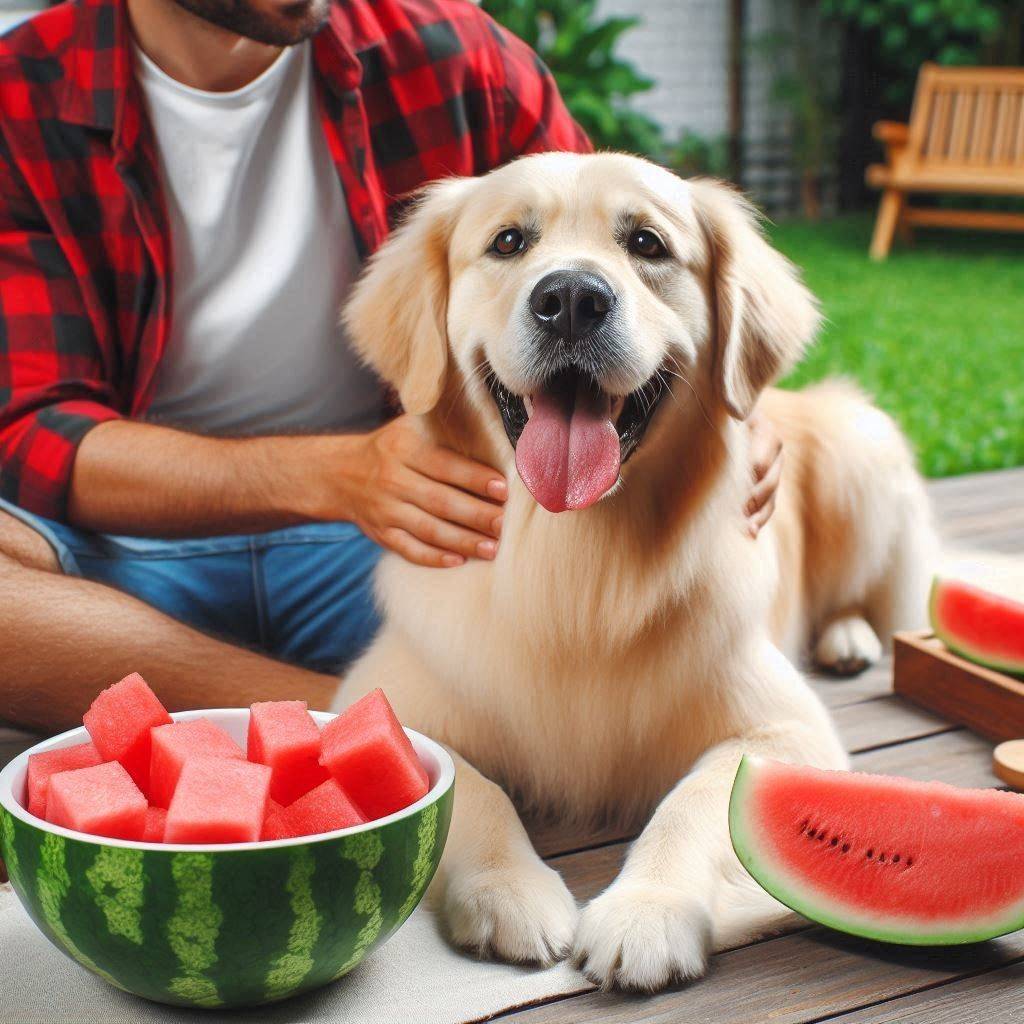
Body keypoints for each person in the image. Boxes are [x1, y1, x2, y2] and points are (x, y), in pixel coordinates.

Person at [0, 0, 782, 732]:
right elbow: (31, 430)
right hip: (124, 557)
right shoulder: (19, 92)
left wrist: (738, 401)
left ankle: (404, 721)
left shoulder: (456, 55)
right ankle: (383, 723)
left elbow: (623, 282)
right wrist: (335, 475)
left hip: (408, 536)